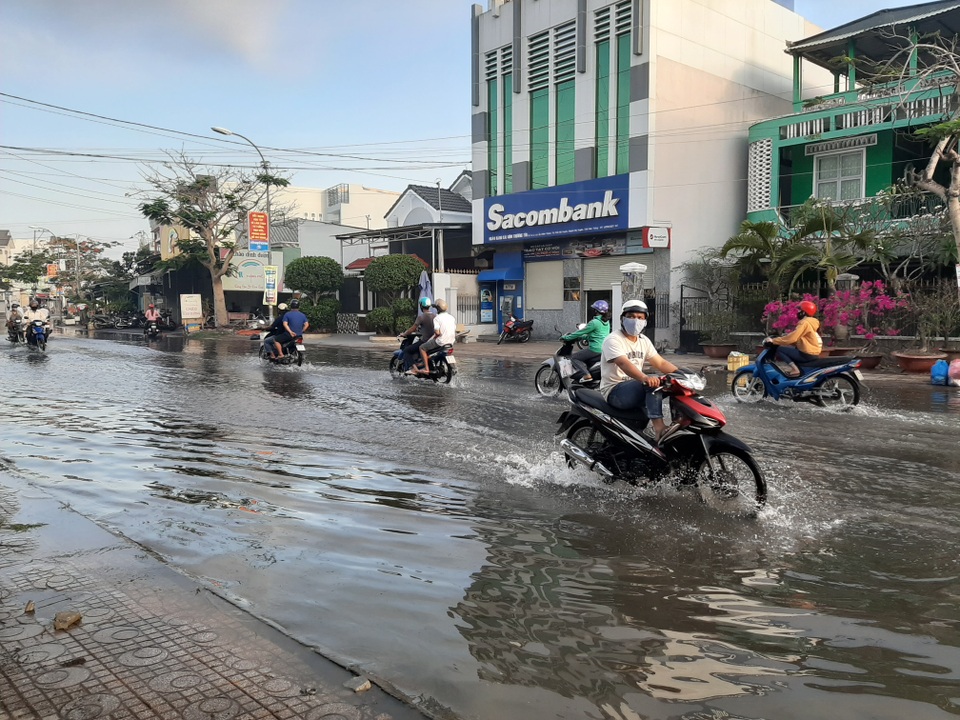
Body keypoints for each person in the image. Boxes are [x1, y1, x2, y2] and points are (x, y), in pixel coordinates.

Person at [599, 299, 679, 443]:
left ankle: (679, 422)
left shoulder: (644, 341)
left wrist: (683, 374)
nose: (636, 320)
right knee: (653, 382)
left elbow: (660, 362)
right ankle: (659, 428)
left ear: (645, 321)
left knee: (672, 384)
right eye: (631, 316)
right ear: (623, 319)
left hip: (634, 388)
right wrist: (644, 378)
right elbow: (623, 363)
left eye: (640, 317)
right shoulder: (613, 339)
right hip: (614, 391)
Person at [766, 300, 823, 377]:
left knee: (780, 349)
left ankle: (795, 369)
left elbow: (792, 338)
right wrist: (786, 340)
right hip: (813, 353)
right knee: (790, 349)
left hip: (807, 354)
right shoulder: (813, 322)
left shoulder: (804, 322)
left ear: (804, 312)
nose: (798, 312)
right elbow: (799, 338)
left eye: (799, 310)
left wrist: (773, 341)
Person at [411, 298, 456, 376]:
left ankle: (426, 368)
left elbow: (437, 333)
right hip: (451, 341)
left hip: (441, 341)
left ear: (437, 309)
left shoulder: (437, 318)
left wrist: (435, 336)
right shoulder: (451, 317)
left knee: (422, 348)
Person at [562, 299, 610, 367]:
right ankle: (588, 375)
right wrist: (581, 338)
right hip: (603, 349)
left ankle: (586, 374)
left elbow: (580, 332)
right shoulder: (606, 322)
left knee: (573, 358)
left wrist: (565, 337)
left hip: (595, 349)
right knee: (587, 361)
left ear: (596, 311)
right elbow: (596, 336)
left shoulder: (594, 322)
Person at [401, 297, 437, 371]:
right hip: (433, 341)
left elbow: (412, 329)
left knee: (406, 350)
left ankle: (414, 368)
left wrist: (405, 334)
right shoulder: (435, 316)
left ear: (421, 306)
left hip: (424, 341)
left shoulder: (421, 317)